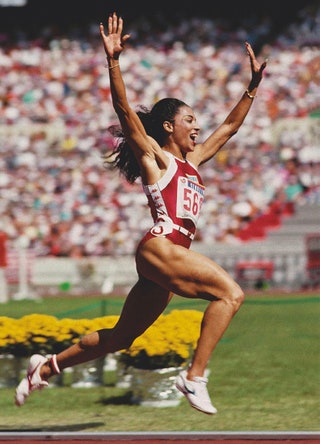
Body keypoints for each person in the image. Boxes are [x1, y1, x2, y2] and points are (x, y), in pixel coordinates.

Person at [15, 12, 267, 414]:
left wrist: (252, 87)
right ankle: (194, 376)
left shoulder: (194, 161)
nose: (198, 127)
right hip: (161, 244)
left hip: (167, 256)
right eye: (189, 120)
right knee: (230, 294)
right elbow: (124, 110)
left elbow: (229, 127)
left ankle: (46, 367)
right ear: (168, 126)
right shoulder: (155, 157)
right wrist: (113, 61)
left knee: (122, 337)